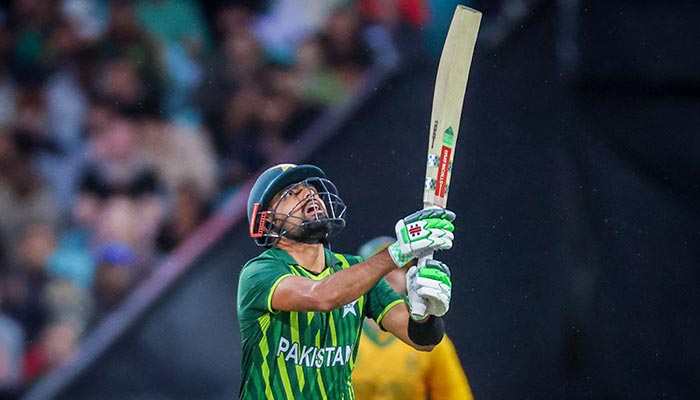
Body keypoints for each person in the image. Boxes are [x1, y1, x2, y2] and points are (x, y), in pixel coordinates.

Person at [237, 163, 456, 399]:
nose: (308, 194)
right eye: (290, 193)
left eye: (310, 188)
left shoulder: (353, 269)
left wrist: (422, 313)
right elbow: (320, 295)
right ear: (267, 222)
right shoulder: (259, 273)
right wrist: (397, 253)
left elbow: (422, 341)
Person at [353, 236, 474, 400]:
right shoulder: (340, 331)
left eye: (400, 267)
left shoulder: (431, 339)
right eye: (381, 267)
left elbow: (456, 396)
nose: (391, 273)